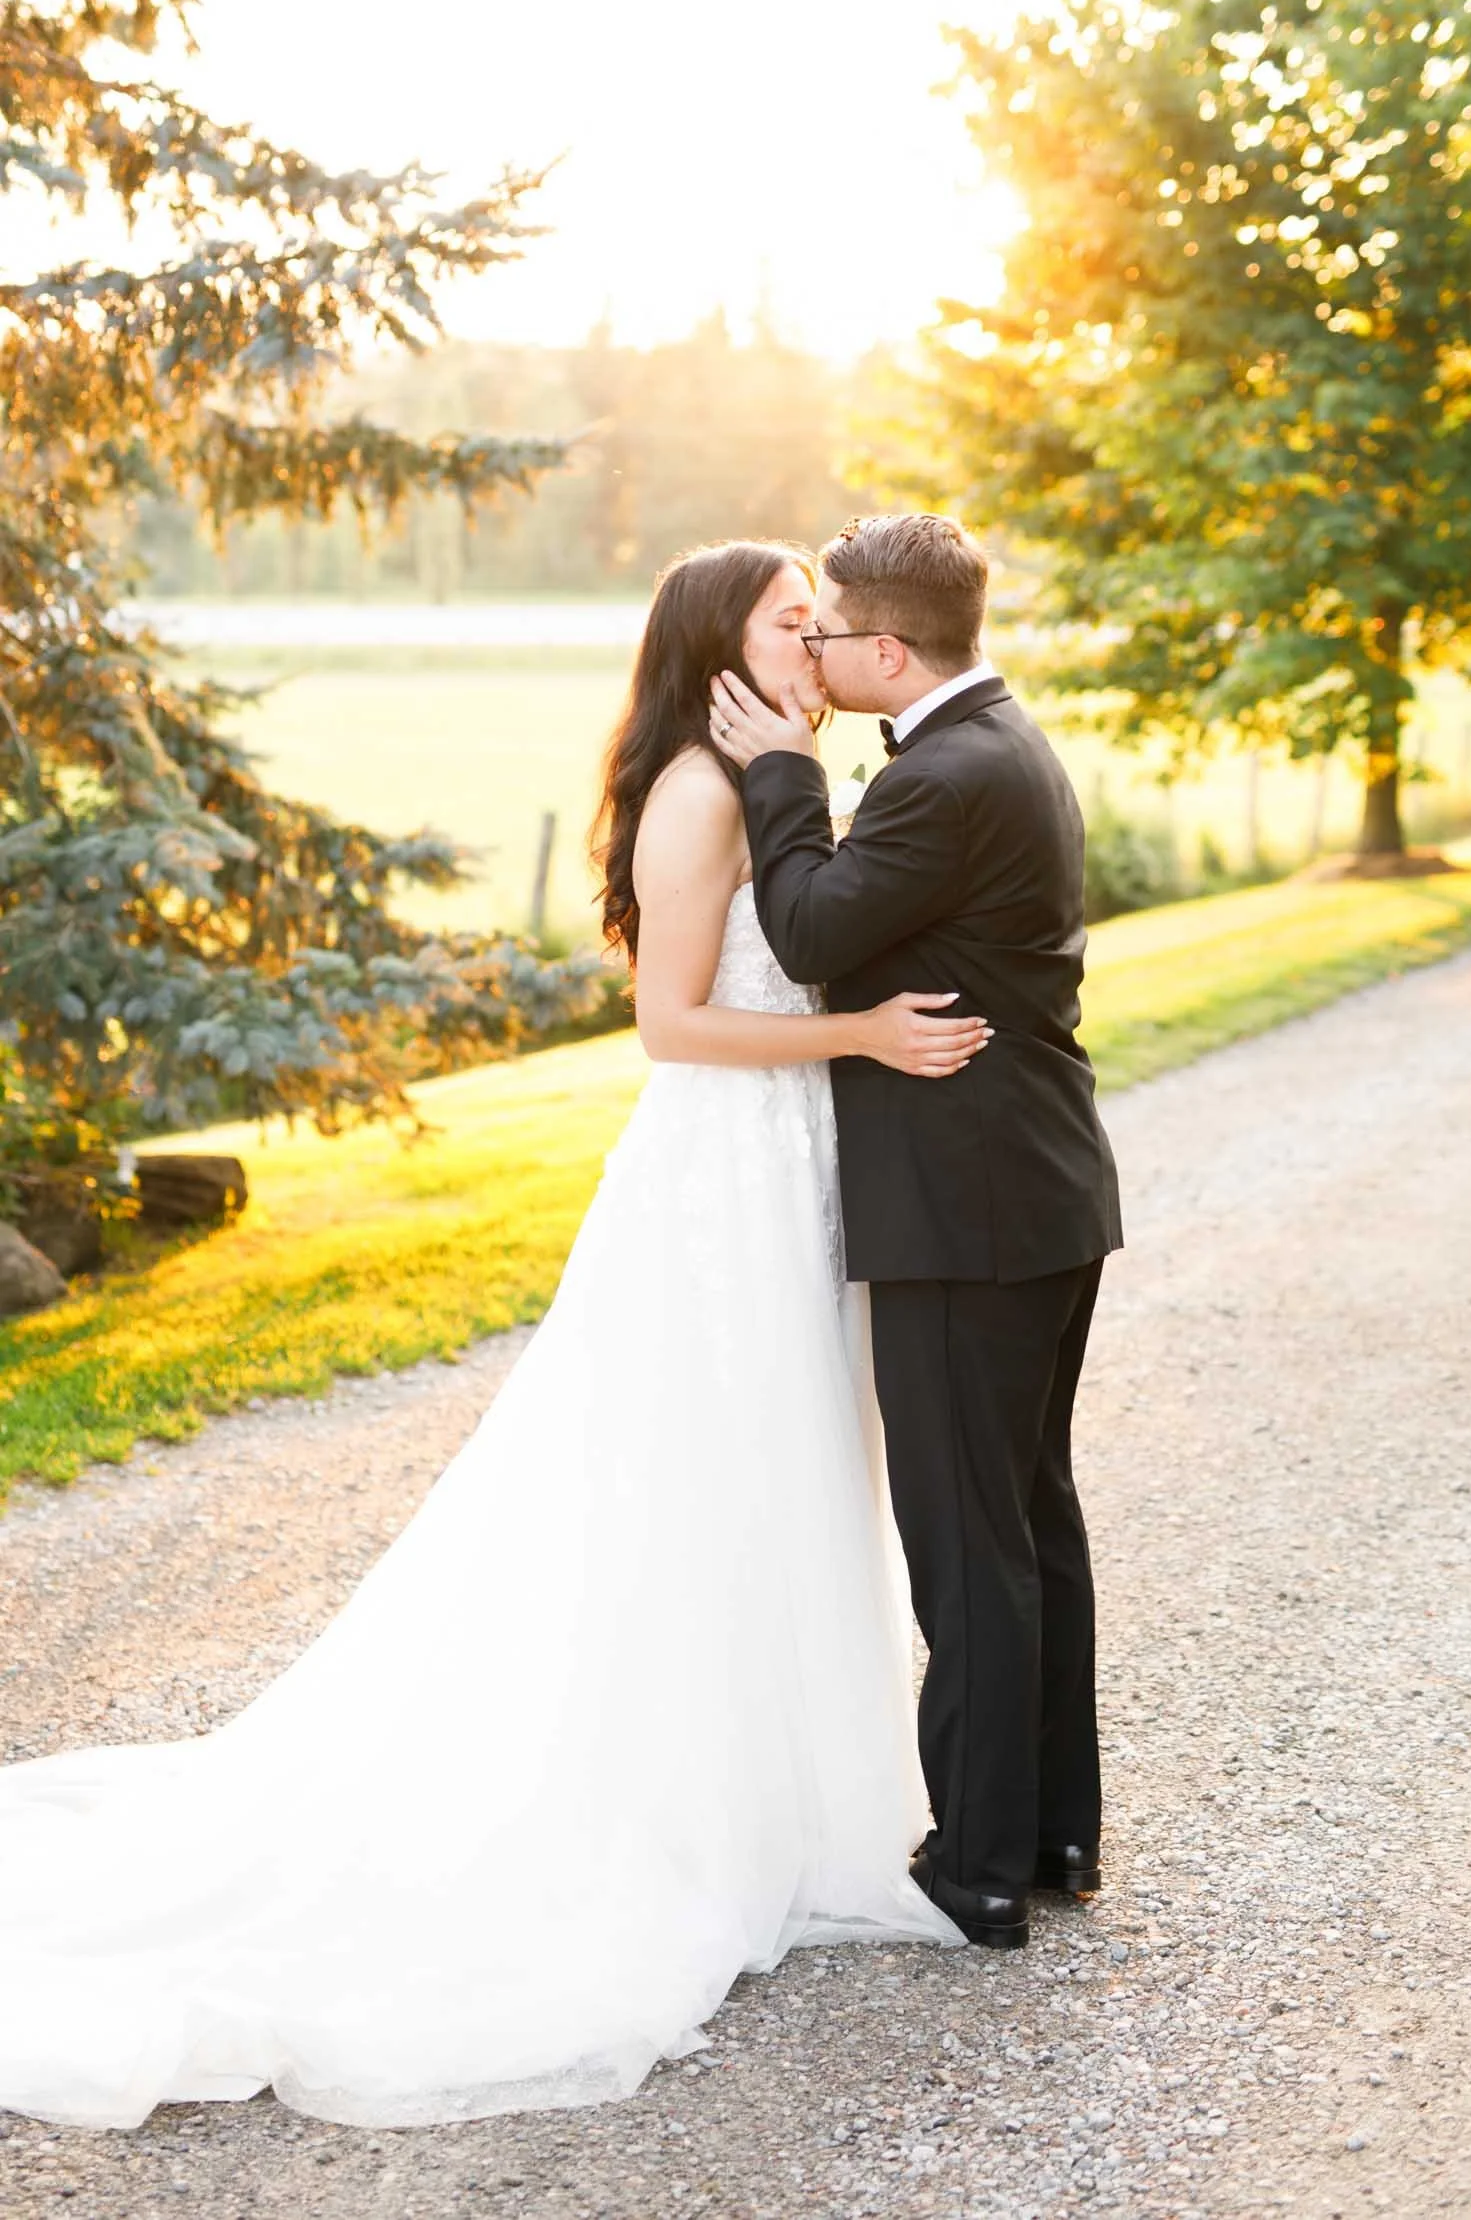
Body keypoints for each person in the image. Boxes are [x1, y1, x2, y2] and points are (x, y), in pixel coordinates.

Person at [0, 540, 975, 2134]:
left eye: (821, 617)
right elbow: (670, 1024)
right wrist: (861, 1032)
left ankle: (793, 1808)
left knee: (790, 1469)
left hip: (789, 1154)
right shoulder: (699, 791)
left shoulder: (770, 771)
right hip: (719, 1168)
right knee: (701, 1473)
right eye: (789, 619)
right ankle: (678, 1816)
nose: (818, 635)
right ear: (712, 654)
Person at [710, 512, 1123, 1952]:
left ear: (886, 650)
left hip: (969, 1210)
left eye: (825, 633)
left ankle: (979, 1863)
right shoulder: (995, 739)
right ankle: (1055, 1828)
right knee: (1028, 1522)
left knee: (968, 1544)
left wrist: (778, 778)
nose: (811, 649)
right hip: (1040, 1191)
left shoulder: (938, 780)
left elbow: (814, 931)